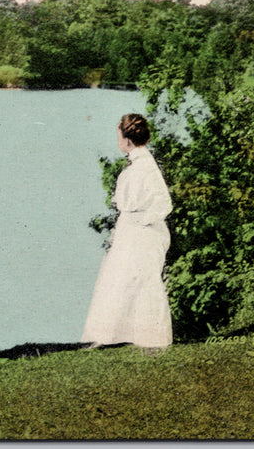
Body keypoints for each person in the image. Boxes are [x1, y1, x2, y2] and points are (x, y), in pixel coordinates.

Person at [81, 113, 173, 351]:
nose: (118, 141)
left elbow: (144, 205)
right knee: (130, 280)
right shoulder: (145, 165)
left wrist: (140, 222)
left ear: (127, 140)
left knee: (127, 280)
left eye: (119, 136)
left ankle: (134, 335)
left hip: (138, 232)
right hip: (142, 230)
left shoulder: (137, 170)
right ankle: (127, 333)